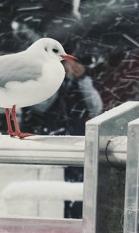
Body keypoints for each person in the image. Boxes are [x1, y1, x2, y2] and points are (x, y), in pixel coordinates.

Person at [23, 58, 103, 218]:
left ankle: (76, 220)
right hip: (50, 144)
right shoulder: (43, 80)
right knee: (52, 196)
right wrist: (57, 78)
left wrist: (83, 78)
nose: (71, 67)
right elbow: (40, 106)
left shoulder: (79, 84)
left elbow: (96, 107)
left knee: (78, 193)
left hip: (77, 144)